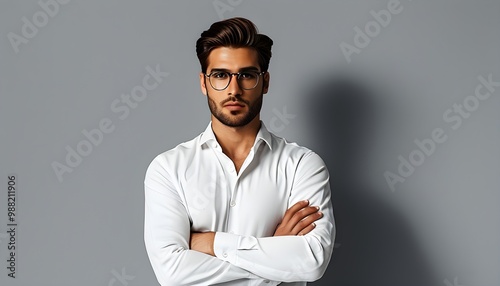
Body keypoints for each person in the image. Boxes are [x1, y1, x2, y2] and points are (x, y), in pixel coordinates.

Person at [144, 17, 335, 286]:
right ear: (204, 83)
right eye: (220, 75)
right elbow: (172, 273)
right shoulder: (168, 169)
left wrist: (211, 242)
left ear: (265, 82)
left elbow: (311, 262)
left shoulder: (302, 165)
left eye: (246, 75)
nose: (234, 90)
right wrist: (274, 253)